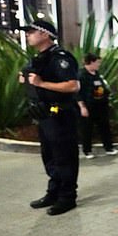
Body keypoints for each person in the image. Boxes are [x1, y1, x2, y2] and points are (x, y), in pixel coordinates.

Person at [19, 20, 80, 216]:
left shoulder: (60, 58)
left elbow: (73, 86)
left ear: (45, 34)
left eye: (31, 32)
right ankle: (54, 192)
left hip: (60, 115)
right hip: (45, 115)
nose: (28, 35)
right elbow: (26, 76)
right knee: (50, 157)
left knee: (64, 158)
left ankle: (67, 197)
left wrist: (41, 83)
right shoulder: (39, 58)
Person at [77, 53, 118, 159]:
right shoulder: (81, 75)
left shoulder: (97, 74)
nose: (99, 65)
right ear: (90, 62)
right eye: (97, 62)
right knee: (87, 129)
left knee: (104, 127)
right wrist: (82, 107)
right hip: (88, 106)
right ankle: (87, 150)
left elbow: (101, 87)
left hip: (101, 105)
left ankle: (109, 147)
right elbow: (77, 93)